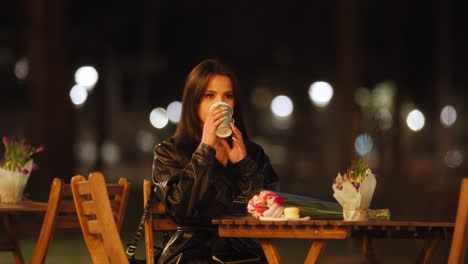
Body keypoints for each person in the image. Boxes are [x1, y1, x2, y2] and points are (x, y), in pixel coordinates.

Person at [152, 58, 279, 264]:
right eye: (209, 96)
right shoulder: (169, 152)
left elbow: (266, 210)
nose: (220, 104)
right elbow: (182, 211)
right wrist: (205, 150)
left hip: (243, 252)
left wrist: (244, 164)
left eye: (227, 96)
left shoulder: (252, 153)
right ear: (193, 102)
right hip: (189, 253)